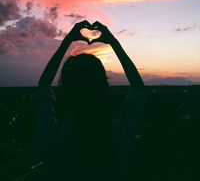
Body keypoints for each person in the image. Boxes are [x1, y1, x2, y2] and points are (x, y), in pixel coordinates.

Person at [35, 20, 145, 180]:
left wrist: (68, 40)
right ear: (104, 88)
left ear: (66, 92)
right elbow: (138, 89)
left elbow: (44, 86)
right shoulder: (118, 134)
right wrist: (113, 43)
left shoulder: (54, 137)